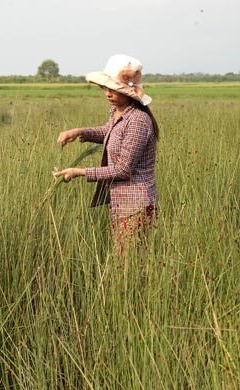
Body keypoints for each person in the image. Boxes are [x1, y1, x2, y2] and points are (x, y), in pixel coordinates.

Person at [53, 54, 159, 250]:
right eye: (105, 88)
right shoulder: (118, 112)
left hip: (136, 206)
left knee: (130, 266)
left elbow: (123, 170)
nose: (108, 94)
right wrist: (79, 132)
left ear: (129, 91)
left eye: (114, 89)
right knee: (126, 264)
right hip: (121, 203)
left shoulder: (137, 121)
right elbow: (109, 132)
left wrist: (80, 172)